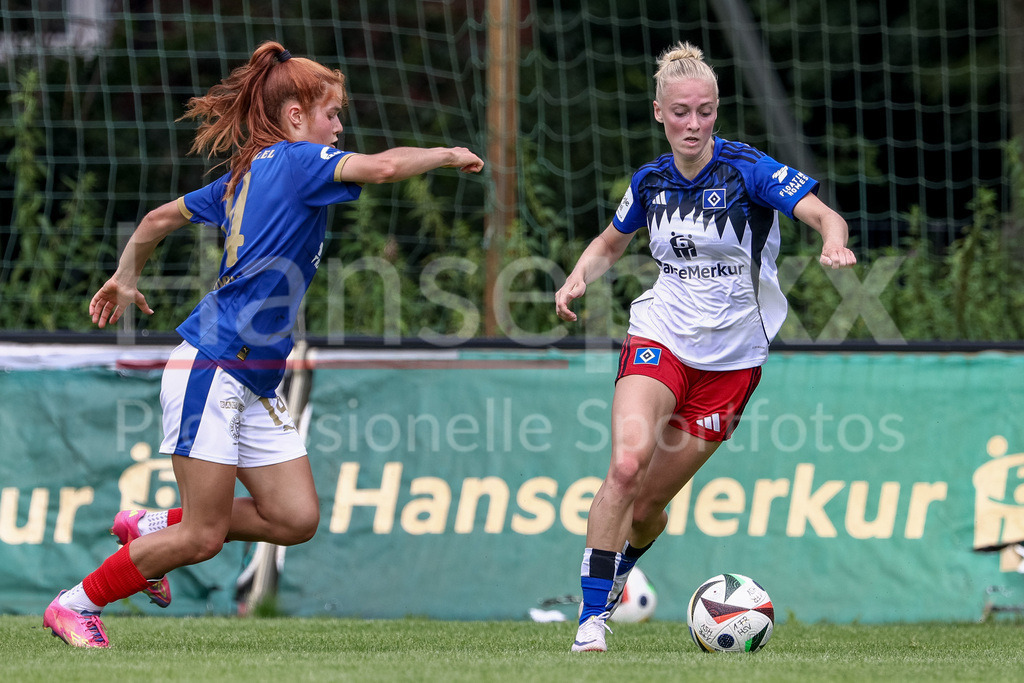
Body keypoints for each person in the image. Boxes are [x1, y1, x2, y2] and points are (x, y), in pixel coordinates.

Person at [43, 41, 484, 648]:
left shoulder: (249, 175)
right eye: (332, 113)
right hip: (214, 364)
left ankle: (146, 525)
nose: (339, 127)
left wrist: (126, 274)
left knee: (295, 518)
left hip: (251, 377)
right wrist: (446, 153)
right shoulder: (301, 162)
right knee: (202, 537)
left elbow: (155, 221)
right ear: (296, 114)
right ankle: (75, 603)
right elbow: (382, 168)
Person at [554, 41, 855, 653]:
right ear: (659, 112)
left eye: (707, 112)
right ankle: (592, 617)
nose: (695, 124)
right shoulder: (651, 181)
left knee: (648, 505)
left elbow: (825, 215)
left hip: (733, 363)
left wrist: (832, 242)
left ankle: (623, 564)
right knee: (625, 466)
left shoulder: (749, 172)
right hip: (660, 335)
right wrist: (579, 274)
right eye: (683, 112)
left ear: (717, 112)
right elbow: (612, 241)